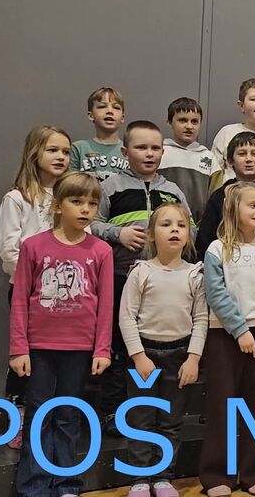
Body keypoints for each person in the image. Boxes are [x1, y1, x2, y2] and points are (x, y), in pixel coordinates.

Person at [9, 172, 113, 497]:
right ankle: (34, 487)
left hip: (80, 349)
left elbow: (106, 305)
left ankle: (67, 484)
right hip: (39, 348)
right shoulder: (33, 246)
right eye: (76, 201)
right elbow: (20, 299)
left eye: (92, 204)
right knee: (38, 414)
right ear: (57, 205)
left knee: (69, 415)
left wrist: (102, 349)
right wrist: (18, 348)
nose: (85, 209)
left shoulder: (101, 251)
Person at [92, 120, 192, 435]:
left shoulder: (172, 190)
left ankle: (151, 413)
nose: (149, 154)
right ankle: (112, 411)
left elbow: (189, 226)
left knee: (152, 349)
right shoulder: (111, 186)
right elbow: (91, 223)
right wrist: (117, 233)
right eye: (141, 147)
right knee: (119, 345)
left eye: (155, 148)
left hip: (163, 282)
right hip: (121, 276)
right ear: (125, 152)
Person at [199, 182, 255, 497]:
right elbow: (216, 293)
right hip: (225, 335)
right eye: (253, 205)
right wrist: (240, 330)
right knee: (222, 404)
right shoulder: (216, 249)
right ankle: (217, 475)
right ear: (233, 208)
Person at [118, 203, 207, 497]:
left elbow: (201, 319)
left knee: (171, 421)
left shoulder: (195, 274)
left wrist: (193, 358)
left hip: (179, 355)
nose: (174, 230)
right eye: (166, 224)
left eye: (181, 225)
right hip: (145, 355)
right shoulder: (141, 271)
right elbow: (126, 316)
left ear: (188, 235)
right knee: (141, 419)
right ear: (151, 234)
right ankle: (140, 479)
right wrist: (139, 356)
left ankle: (163, 477)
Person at [0, 125, 72, 449]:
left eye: (66, 152)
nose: (60, 157)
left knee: (55, 360)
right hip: (28, 292)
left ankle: (50, 419)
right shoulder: (17, 199)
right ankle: (17, 421)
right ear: (34, 154)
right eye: (52, 150)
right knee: (24, 357)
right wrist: (40, 279)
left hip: (64, 296)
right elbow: (9, 251)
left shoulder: (68, 199)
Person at [195, 131, 255, 257]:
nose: (249, 159)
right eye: (242, 154)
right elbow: (205, 239)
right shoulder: (220, 196)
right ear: (230, 161)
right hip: (226, 260)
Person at [159, 97, 215, 222]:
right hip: (163, 222)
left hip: (198, 225)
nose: (189, 126)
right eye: (183, 120)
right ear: (169, 122)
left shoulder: (209, 157)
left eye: (194, 121)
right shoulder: (160, 152)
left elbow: (215, 196)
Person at [70, 87, 129, 180]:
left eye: (116, 107)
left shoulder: (130, 151)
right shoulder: (78, 148)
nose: (110, 111)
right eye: (102, 106)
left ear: (122, 118)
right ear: (91, 115)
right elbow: (70, 183)